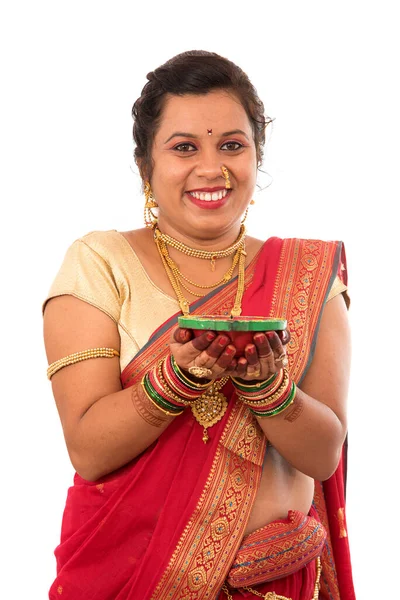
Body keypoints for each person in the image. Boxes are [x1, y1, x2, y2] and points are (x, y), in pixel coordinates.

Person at [43, 50, 355, 599]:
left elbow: (323, 454)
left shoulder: (309, 276)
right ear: (146, 165)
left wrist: (268, 388)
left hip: (275, 585)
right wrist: (178, 381)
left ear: (257, 157)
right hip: (130, 578)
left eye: (232, 145)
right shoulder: (100, 262)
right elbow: (88, 450)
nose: (211, 168)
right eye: (184, 147)